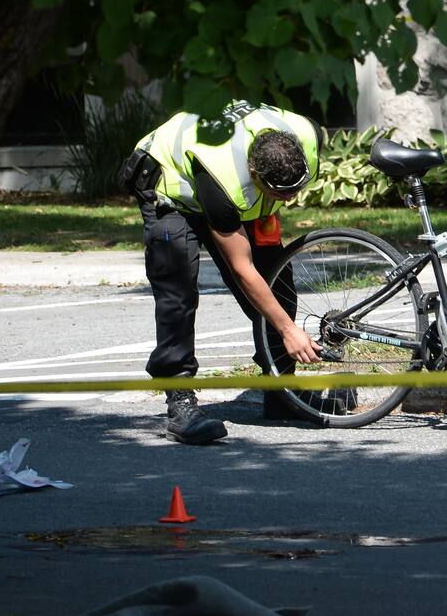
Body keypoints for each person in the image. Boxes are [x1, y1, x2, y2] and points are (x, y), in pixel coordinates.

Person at [119, 100, 323, 444]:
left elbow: (262, 269)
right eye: (279, 194)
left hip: (235, 187)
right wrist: (288, 330)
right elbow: (241, 268)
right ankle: (180, 403)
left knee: (277, 282)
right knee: (177, 289)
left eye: (294, 192)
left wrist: (280, 317)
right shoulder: (223, 180)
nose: (287, 201)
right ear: (255, 175)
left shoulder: (306, 134)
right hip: (172, 189)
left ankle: (282, 392)